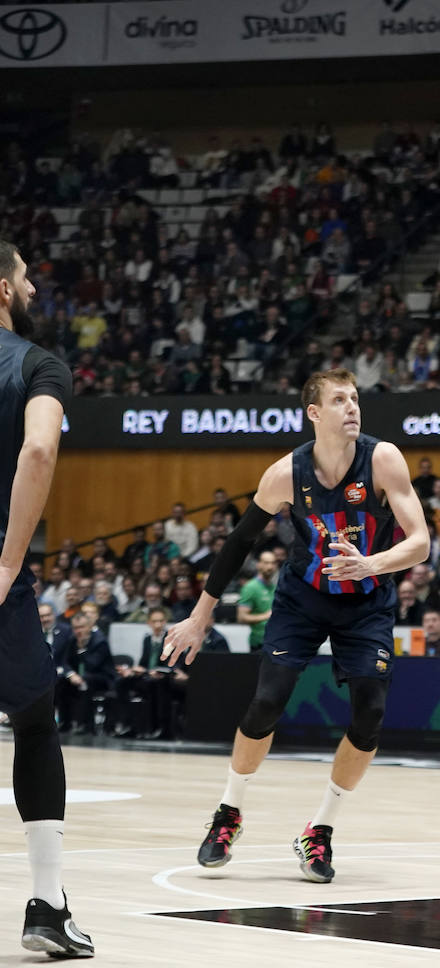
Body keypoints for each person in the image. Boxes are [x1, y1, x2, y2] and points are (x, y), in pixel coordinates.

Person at [162, 369, 430, 884]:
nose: (352, 407)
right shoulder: (285, 474)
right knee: (267, 701)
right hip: (303, 598)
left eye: (355, 398)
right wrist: (200, 615)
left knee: (370, 711)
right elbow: (238, 543)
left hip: (366, 599)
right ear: (314, 413)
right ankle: (228, 813)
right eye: (339, 400)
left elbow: (419, 541)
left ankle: (320, 830)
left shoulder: (383, 459)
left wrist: (371, 565)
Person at [0, 241, 93, 955]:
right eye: (25, 275)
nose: (33, 285)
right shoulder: (36, 363)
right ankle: (45, 907)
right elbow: (37, 452)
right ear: (3, 288)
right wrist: (7, 563)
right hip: (0, 577)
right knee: (34, 722)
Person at [235, 550, 278, 652]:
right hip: (259, 643)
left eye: (273, 563)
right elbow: (241, 617)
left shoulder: (274, 587)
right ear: (259, 564)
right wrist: (267, 616)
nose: (270, 567)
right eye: (266, 563)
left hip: (275, 641)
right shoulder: (250, 587)